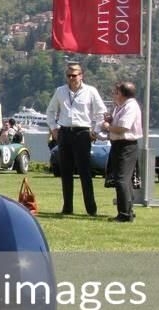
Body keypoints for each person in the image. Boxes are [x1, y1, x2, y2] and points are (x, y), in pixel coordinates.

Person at [46, 62, 106, 216]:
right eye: (69, 75)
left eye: (74, 75)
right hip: (65, 132)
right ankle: (67, 207)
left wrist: (96, 130)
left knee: (85, 171)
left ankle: (91, 209)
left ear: (81, 75)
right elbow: (51, 111)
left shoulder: (91, 91)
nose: (71, 78)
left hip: (82, 133)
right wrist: (53, 129)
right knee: (65, 171)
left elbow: (101, 113)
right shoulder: (60, 91)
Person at [103, 81, 142, 223]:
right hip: (119, 144)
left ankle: (124, 214)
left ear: (122, 94)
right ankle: (128, 211)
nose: (113, 94)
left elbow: (123, 128)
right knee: (122, 179)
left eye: (116, 92)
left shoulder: (130, 106)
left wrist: (108, 126)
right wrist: (111, 120)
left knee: (121, 180)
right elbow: (118, 124)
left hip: (126, 145)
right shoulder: (121, 107)